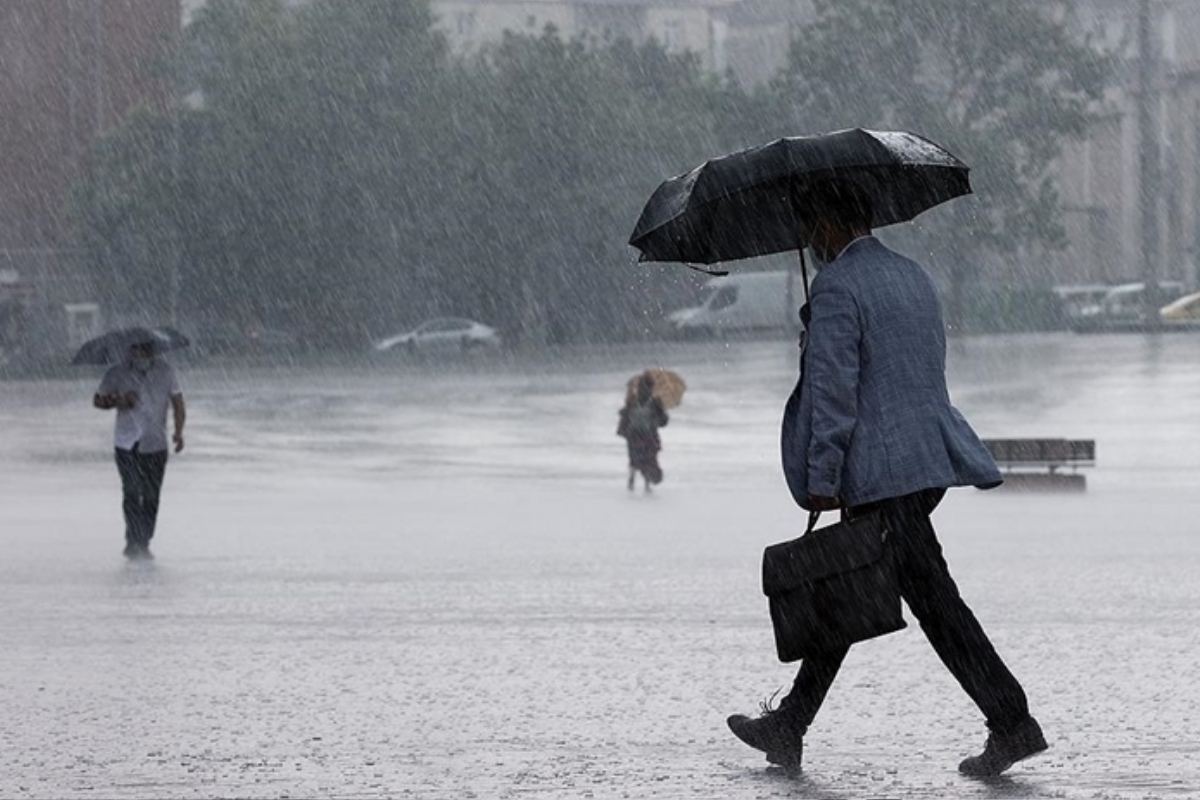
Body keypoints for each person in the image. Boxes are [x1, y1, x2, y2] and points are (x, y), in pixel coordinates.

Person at [726, 179, 1045, 777]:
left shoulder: (838, 287)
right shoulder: (912, 275)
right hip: (923, 463)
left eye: (810, 227)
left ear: (827, 222)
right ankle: (790, 724)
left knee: (929, 602)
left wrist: (823, 475)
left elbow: (835, 394)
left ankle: (1012, 722)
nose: (808, 240)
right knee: (849, 588)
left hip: (878, 474)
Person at [93, 339, 186, 559]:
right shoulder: (117, 373)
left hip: (156, 443)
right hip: (126, 442)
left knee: (152, 494)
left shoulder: (166, 372)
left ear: (154, 350)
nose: (142, 353)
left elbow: (178, 402)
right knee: (132, 491)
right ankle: (133, 539)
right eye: (137, 348)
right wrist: (119, 399)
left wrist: (179, 432)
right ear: (130, 349)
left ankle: (144, 538)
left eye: (147, 349)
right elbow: (98, 400)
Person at [617, 372, 668, 492]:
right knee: (649, 458)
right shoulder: (655, 402)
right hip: (649, 435)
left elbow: (624, 414)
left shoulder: (632, 400)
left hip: (634, 435)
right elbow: (663, 421)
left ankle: (632, 479)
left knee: (635, 458)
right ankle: (647, 483)